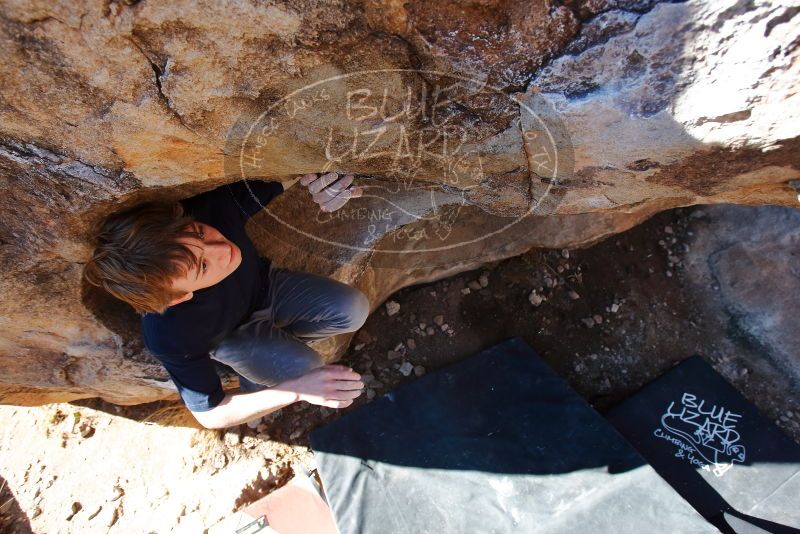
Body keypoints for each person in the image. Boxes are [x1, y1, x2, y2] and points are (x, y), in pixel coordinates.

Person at [83, 173, 369, 429]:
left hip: (267, 287)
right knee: (307, 367)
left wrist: (324, 181)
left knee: (353, 309)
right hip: (234, 338)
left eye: (200, 234)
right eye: (203, 266)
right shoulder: (170, 334)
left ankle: (271, 360)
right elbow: (210, 415)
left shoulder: (205, 213)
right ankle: (259, 377)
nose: (221, 248)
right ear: (180, 297)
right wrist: (298, 388)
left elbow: (288, 173)